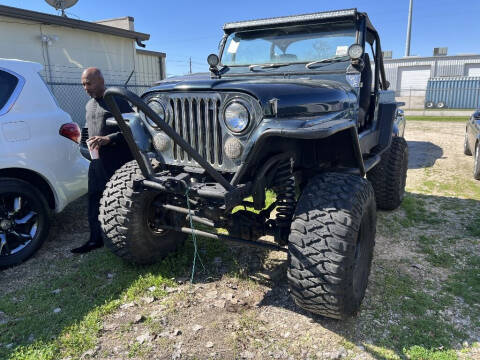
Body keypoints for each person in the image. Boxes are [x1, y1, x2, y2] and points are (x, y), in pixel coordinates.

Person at [71, 67, 133, 254]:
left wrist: (109, 139)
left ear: (100, 81)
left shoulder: (117, 101)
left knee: (120, 201)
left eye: (88, 83)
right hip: (97, 161)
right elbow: (89, 129)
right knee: (94, 198)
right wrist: (82, 141)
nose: (85, 87)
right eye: (83, 84)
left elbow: (133, 129)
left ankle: (124, 238)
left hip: (118, 161)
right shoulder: (89, 105)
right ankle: (95, 239)